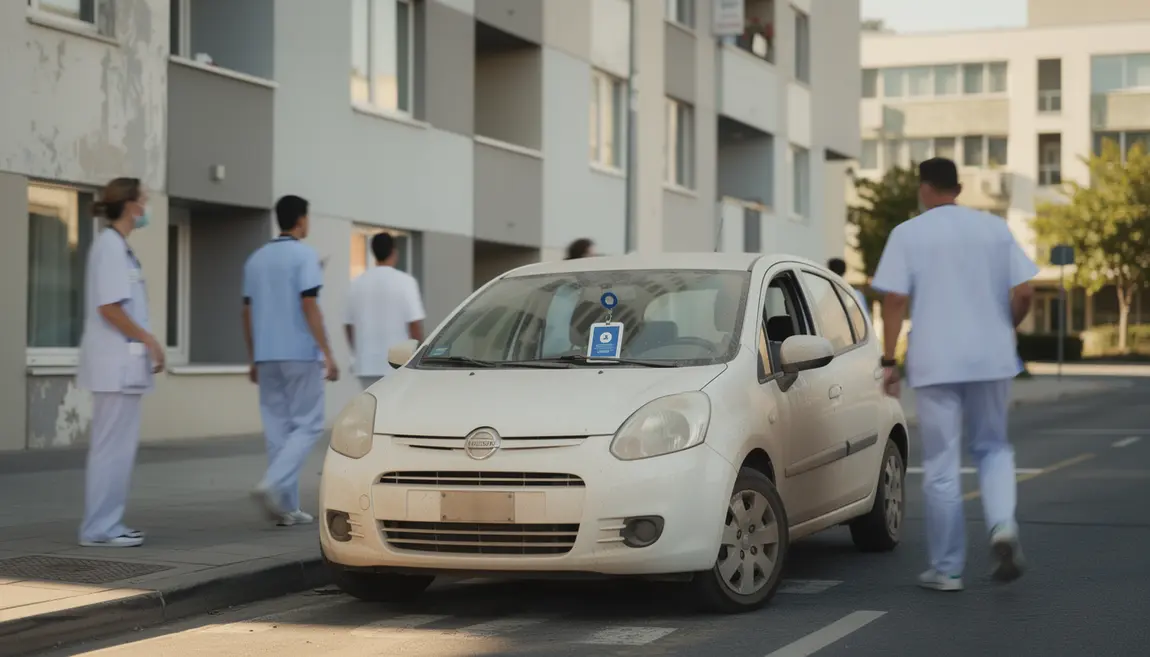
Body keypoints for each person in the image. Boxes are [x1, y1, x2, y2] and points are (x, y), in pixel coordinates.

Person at [871, 157, 1037, 592]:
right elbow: (1024, 293)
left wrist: (889, 361)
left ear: (924, 188)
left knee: (943, 465)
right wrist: (1005, 328)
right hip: (992, 357)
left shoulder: (908, 234)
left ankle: (947, 570)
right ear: (958, 189)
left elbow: (892, 301)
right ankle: (1002, 526)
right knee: (994, 448)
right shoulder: (994, 228)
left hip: (936, 360)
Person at [76, 177, 165, 548]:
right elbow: (109, 307)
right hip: (115, 364)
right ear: (131, 205)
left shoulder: (118, 247)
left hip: (121, 366)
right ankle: (99, 527)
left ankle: (108, 523)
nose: (146, 206)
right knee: (111, 448)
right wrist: (147, 339)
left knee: (116, 448)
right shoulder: (110, 247)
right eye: (143, 199)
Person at [242, 195, 339, 527]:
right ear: (301, 219)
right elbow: (309, 305)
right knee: (309, 423)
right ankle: (272, 484)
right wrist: (327, 351)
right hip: (299, 351)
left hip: (266, 354)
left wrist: (253, 355)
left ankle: (286, 508)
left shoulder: (255, 260)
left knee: (277, 428)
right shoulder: (304, 255)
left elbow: (247, 311)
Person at [344, 232, 426, 389]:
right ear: (394, 252)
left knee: (371, 409)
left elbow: (349, 326)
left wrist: (358, 350)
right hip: (397, 365)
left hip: (365, 365)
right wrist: (419, 359)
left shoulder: (356, 284)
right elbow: (415, 326)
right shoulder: (406, 282)